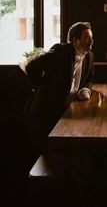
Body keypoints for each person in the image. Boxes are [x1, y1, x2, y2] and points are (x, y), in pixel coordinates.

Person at [24, 21, 94, 167]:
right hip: (48, 108)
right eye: (87, 37)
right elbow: (31, 67)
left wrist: (86, 89)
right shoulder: (60, 51)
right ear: (75, 40)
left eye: (91, 37)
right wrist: (42, 87)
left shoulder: (89, 56)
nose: (91, 41)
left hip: (68, 109)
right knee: (41, 154)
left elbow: (90, 78)